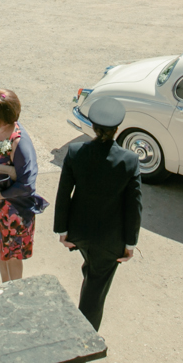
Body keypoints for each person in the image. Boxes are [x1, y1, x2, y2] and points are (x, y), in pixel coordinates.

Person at [54, 96, 141, 330]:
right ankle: (86, 336)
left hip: (78, 232)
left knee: (92, 269)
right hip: (110, 240)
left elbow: (64, 194)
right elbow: (134, 206)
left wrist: (62, 230)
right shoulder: (130, 160)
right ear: (117, 129)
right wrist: (130, 244)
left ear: (93, 126)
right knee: (96, 287)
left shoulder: (74, 152)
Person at [0, 85, 48, 282]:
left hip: (13, 209)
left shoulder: (21, 142)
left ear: (8, 118)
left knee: (13, 255)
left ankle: (15, 291)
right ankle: (5, 284)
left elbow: (28, 185)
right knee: (0, 249)